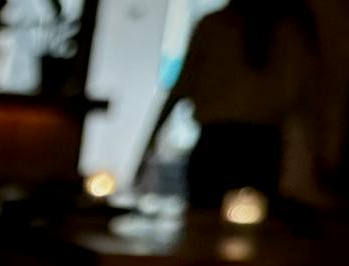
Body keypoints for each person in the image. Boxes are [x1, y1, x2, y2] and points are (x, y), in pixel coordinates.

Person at [137, 0, 320, 209]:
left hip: (241, 144)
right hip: (242, 144)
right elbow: (304, 99)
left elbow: (181, 87)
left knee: (213, 219)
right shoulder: (218, 27)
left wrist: (148, 145)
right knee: (218, 219)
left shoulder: (286, 33)